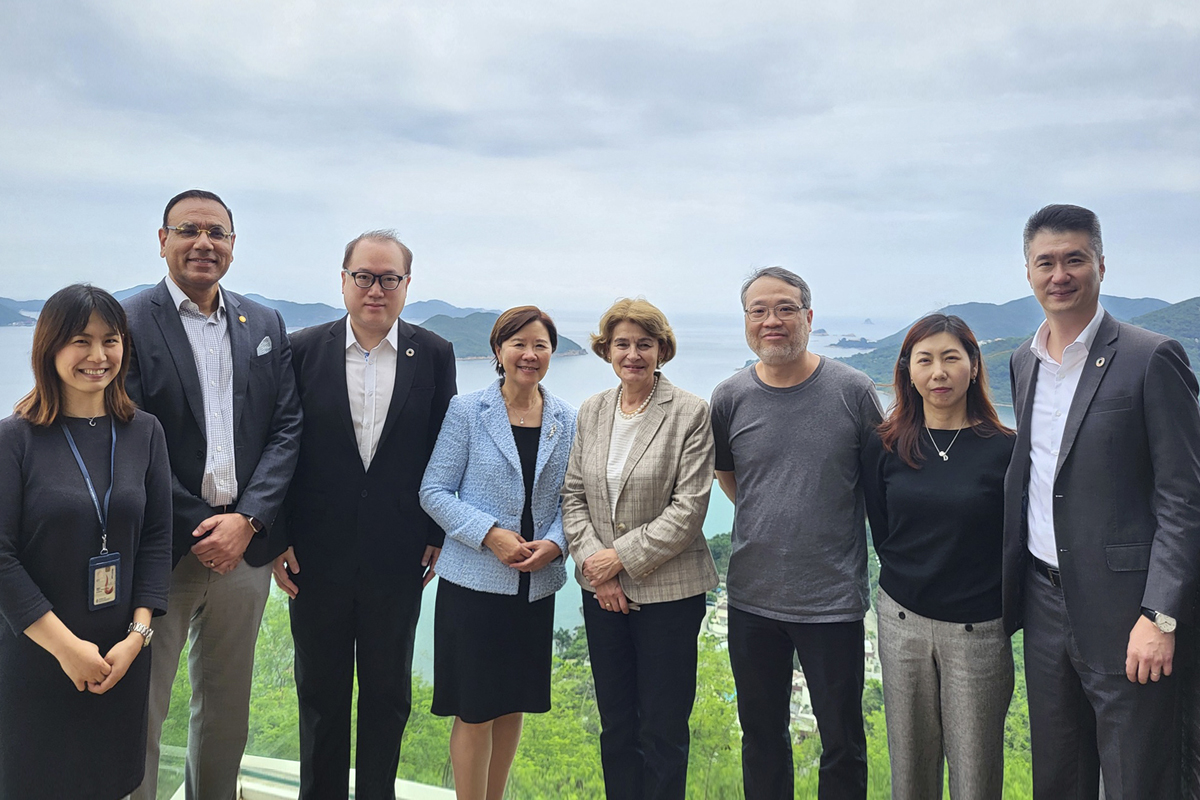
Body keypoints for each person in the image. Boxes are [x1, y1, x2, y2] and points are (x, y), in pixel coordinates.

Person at [1003, 204, 1200, 799]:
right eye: (1046, 262)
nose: (1059, 274)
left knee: (1139, 778)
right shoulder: (1023, 361)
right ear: (1029, 273)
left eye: (1074, 260)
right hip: (1042, 603)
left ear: (1101, 266)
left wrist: (1160, 615)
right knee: (1057, 777)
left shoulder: (1151, 356)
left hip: (1128, 614)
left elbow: (1184, 497)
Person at [124, 189, 303, 800]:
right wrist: (205, 525)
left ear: (232, 244)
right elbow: (130, 439)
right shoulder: (129, 322)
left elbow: (286, 428)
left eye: (217, 232)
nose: (204, 243)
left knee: (228, 707)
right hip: (162, 549)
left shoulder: (263, 322)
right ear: (163, 239)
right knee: (143, 707)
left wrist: (248, 520)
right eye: (188, 230)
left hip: (244, 552)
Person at [271, 230, 456, 799]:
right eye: (364, 277)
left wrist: (433, 532)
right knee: (321, 696)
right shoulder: (301, 349)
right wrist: (275, 537)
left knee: (387, 695)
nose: (376, 289)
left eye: (389, 278)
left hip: (398, 556)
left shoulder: (433, 352)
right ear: (344, 279)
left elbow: (441, 448)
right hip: (314, 554)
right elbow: (278, 445)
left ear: (407, 284)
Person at [710, 266, 882, 800]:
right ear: (746, 322)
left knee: (843, 743)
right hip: (752, 598)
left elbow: (878, 485)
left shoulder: (852, 391)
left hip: (831, 600)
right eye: (758, 311)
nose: (772, 321)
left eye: (785, 308)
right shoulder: (730, 396)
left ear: (808, 317)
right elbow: (732, 479)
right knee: (761, 737)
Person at [0, 284, 172, 799]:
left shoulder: (145, 432)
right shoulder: (16, 438)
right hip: (36, 654)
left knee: (111, 783)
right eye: (81, 340)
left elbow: (158, 540)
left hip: (119, 658)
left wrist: (137, 638)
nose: (98, 356)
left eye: (111, 340)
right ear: (49, 347)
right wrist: (67, 648)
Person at [562, 298, 718, 800]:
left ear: (662, 349)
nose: (633, 354)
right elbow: (573, 496)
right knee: (617, 726)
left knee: (663, 729)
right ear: (606, 349)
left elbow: (688, 509)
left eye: (644, 344)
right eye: (622, 344)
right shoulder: (593, 410)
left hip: (670, 594)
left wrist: (618, 559)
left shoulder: (690, 412)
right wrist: (598, 570)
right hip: (601, 593)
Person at [419, 306, 576, 800]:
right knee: (475, 708)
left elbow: (576, 497)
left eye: (541, 345)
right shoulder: (468, 411)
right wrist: (490, 534)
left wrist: (555, 543)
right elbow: (435, 490)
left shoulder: (566, 419)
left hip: (535, 586)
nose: (529, 355)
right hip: (473, 586)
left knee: (514, 704)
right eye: (519, 344)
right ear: (498, 351)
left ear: (552, 352)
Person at [860, 314, 1015, 799]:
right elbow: (883, 531)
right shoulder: (884, 444)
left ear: (973, 366)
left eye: (951, 358)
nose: (938, 372)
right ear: (908, 371)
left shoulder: (1007, 450)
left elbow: (1013, 541)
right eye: (924, 360)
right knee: (909, 770)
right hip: (900, 620)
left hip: (979, 631)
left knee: (976, 773)